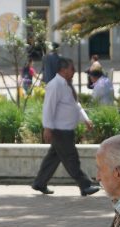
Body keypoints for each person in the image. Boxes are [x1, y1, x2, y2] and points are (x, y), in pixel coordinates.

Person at [31, 57, 100, 196]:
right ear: (63, 70)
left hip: (66, 129)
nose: (74, 71)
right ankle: (85, 185)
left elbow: (74, 105)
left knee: (53, 158)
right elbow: (48, 108)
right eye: (71, 69)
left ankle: (40, 183)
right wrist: (47, 128)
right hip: (60, 131)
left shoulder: (66, 85)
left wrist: (85, 119)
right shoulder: (55, 85)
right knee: (71, 158)